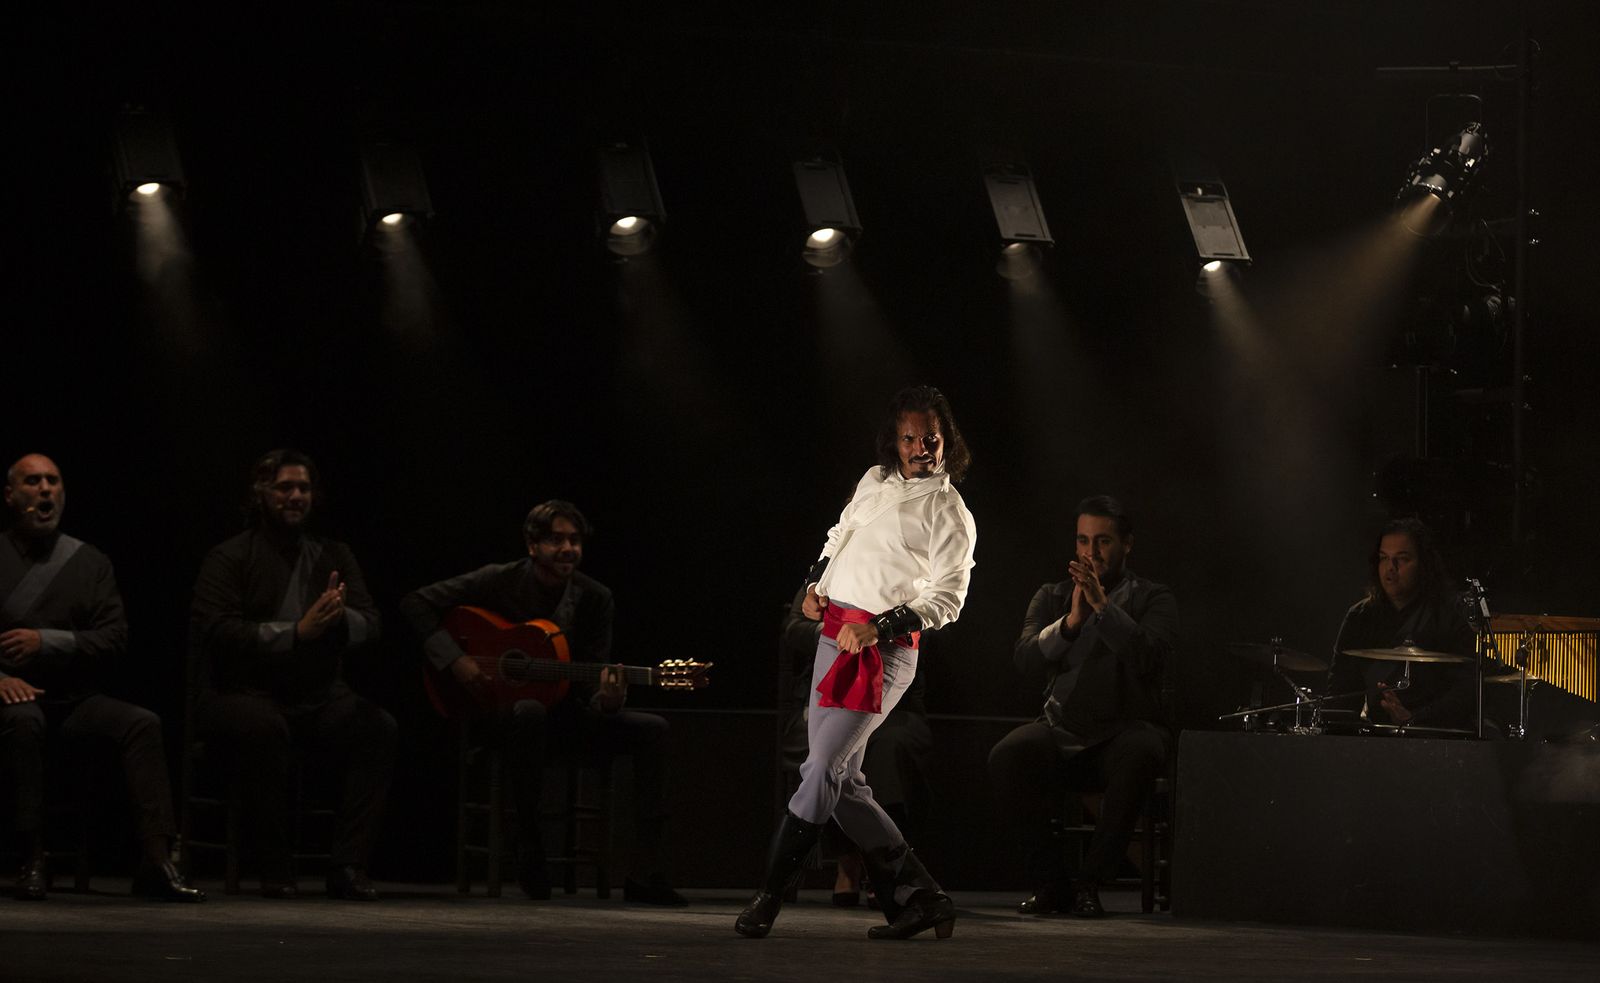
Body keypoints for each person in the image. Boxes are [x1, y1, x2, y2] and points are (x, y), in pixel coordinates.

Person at [737, 385, 976, 941]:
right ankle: (922, 900)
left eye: (931, 437)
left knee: (821, 771)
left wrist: (881, 626)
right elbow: (840, 533)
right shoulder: (874, 481)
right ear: (894, 442)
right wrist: (813, 584)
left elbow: (948, 600)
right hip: (833, 637)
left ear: (947, 440)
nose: (921, 447)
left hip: (881, 653)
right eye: (910, 437)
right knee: (841, 782)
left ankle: (769, 897)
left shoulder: (949, 511)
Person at [400, 500, 685, 905]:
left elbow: (590, 679)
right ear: (532, 545)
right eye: (556, 540)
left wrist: (607, 700)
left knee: (653, 729)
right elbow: (415, 603)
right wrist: (457, 660)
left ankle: (646, 873)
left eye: (574, 540)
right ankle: (529, 847)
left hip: (567, 717)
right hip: (501, 718)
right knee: (528, 711)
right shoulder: (498, 581)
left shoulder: (594, 598)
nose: (568, 548)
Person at [190, 449, 396, 900]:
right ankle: (275, 868)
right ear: (261, 493)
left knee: (376, 727)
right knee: (266, 729)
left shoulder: (334, 553)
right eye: (285, 487)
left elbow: (372, 621)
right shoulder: (229, 556)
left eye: (303, 488)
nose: (296, 496)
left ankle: (347, 866)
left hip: (317, 694)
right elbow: (219, 631)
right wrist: (297, 632)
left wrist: (338, 621)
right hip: (242, 692)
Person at [0, 453, 202, 902]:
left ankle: (156, 859)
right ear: (11, 495)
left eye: (53, 481)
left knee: (142, 722)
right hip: (10, 700)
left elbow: (114, 638)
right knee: (24, 721)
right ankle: (31, 857)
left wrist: (47, 641)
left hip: (73, 700)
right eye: (33, 481)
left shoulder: (91, 562)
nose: (45, 489)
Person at [987, 495, 1177, 918]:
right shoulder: (1052, 596)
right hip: (1062, 732)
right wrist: (1071, 623)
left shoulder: (1154, 598)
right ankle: (1052, 885)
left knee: (1145, 749)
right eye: (1083, 541)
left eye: (1103, 542)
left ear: (1127, 544)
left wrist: (1104, 609)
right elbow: (1025, 659)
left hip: (1121, 735)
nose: (1091, 553)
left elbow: (1150, 656)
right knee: (1007, 757)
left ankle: (1090, 883)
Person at [777, 585, 934, 907]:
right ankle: (875, 872)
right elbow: (794, 628)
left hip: (889, 693)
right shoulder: (827, 574)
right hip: (831, 683)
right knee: (833, 767)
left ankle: (772, 893)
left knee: (879, 752)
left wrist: (873, 627)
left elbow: (927, 617)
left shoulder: (901, 576)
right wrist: (836, 627)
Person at [1326, 517, 1475, 731]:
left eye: (1402, 559)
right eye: (1384, 558)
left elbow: (1467, 690)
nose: (1390, 568)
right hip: (1373, 738)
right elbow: (1340, 692)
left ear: (1424, 564)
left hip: (1438, 736)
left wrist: (1415, 719)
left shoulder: (1450, 613)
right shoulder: (1360, 616)